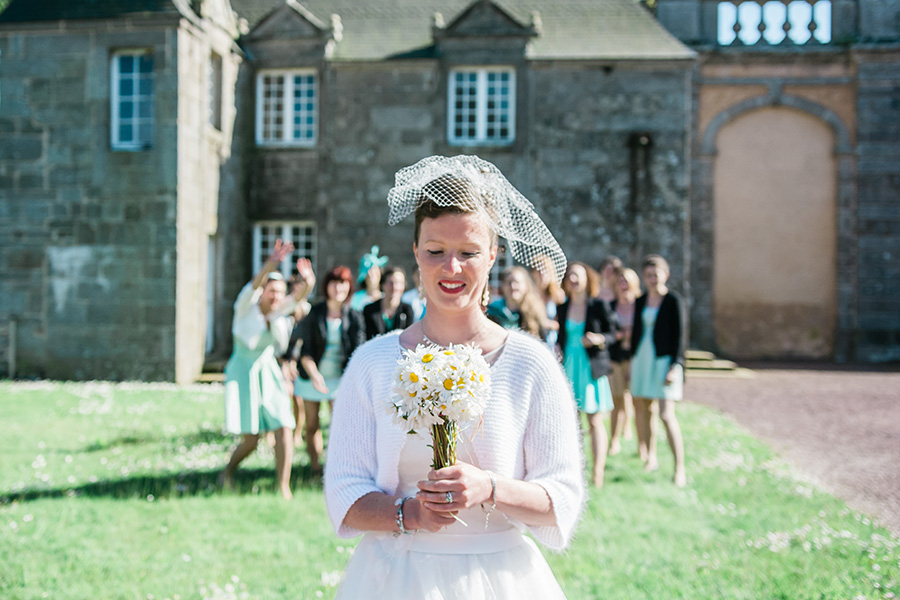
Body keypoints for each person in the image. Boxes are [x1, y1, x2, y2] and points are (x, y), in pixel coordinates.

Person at [324, 155, 583, 599]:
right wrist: (409, 514)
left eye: (468, 252)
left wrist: (490, 488)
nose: (452, 268)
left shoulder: (531, 364)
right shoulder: (372, 363)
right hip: (394, 578)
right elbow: (345, 495)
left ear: (493, 255)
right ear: (415, 253)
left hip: (499, 579)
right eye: (435, 251)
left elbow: (561, 499)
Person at [221, 240, 313, 499]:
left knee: (284, 425)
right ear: (262, 291)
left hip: (268, 371)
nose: (276, 297)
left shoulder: (277, 313)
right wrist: (272, 262)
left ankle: (283, 486)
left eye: (279, 292)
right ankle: (227, 472)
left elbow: (299, 297)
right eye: (271, 291)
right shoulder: (244, 308)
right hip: (242, 372)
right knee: (251, 439)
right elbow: (253, 284)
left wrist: (309, 281)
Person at [291, 265, 365, 474]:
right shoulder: (315, 313)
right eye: (334, 282)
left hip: (340, 379)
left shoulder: (355, 316)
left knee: (339, 426)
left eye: (342, 283)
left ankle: (335, 467)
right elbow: (305, 351)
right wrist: (315, 376)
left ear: (348, 287)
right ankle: (315, 468)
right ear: (327, 286)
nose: (338, 288)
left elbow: (357, 353)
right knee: (312, 423)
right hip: (312, 376)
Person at [556, 261, 616, 488]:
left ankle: (598, 471)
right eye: (569, 275)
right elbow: (561, 337)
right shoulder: (563, 307)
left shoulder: (598, 305)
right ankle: (576, 469)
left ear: (587, 279)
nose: (573, 279)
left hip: (590, 368)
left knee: (594, 420)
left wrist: (599, 339)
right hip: (569, 367)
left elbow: (612, 334)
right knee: (572, 422)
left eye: (577, 275)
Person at [630, 254, 687, 487]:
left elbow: (681, 336)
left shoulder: (674, 300)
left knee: (666, 414)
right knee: (645, 410)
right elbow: (636, 332)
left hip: (665, 361)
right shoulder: (641, 300)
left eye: (656, 274)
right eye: (648, 275)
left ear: (666, 275)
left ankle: (679, 468)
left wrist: (676, 365)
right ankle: (650, 457)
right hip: (642, 359)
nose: (652, 279)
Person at [607, 267, 641, 456]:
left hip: (635, 357)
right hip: (616, 358)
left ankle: (641, 445)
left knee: (638, 402)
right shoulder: (611, 306)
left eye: (627, 281)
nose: (623, 285)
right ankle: (614, 441)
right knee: (617, 400)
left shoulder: (639, 305)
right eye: (620, 281)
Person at [486, 266, 547, 338]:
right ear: (503, 286)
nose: (513, 286)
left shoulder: (534, 312)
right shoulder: (492, 311)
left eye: (517, 282)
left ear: (526, 286)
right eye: (509, 282)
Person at [362, 266, 415, 339]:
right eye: (391, 283)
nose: (395, 287)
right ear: (382, 285)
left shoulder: (407, 310)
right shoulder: (370, 310)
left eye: (399, 283)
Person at [531, 256, 564, 349]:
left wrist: (549, 324)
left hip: (554, 343)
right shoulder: (530, 295)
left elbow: (564, 322)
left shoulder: (557, 295)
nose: (541, 274)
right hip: (535, 341)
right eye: (538, 270)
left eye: (544, 270)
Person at [350, 246, 388, 311]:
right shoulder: (355, 298)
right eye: (368, 272)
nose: (371, 275)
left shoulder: (386, 297)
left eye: (374, 272)